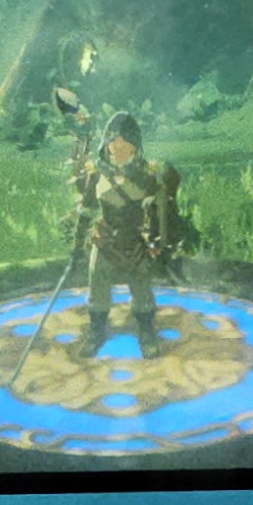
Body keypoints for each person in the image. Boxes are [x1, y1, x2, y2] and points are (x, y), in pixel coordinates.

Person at [69, 110, 187, 355]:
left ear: (135, 144)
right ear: (106, 144)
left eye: (125, 141)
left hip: (136, 242)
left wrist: (159, 242)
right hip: (105, 241)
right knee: (98, 288)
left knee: (142, 289)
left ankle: (146, 333)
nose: (119, 146)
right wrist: (77, 245)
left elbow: (161, 210)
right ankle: (96, 333)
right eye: (114, 141)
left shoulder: (148, 175)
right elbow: (86, 210)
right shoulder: (96, 175)